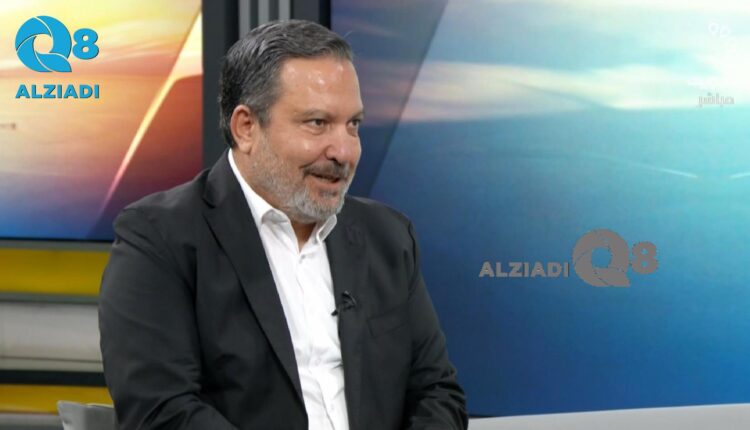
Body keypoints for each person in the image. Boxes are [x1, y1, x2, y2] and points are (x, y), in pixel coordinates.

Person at [99, 19, 467, 430]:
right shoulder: (159, 238)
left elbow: (437, 393)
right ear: (246, 128)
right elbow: (160, 410)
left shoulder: (389, 238)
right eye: (317, 123)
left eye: (353, 125)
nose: (344, 151)